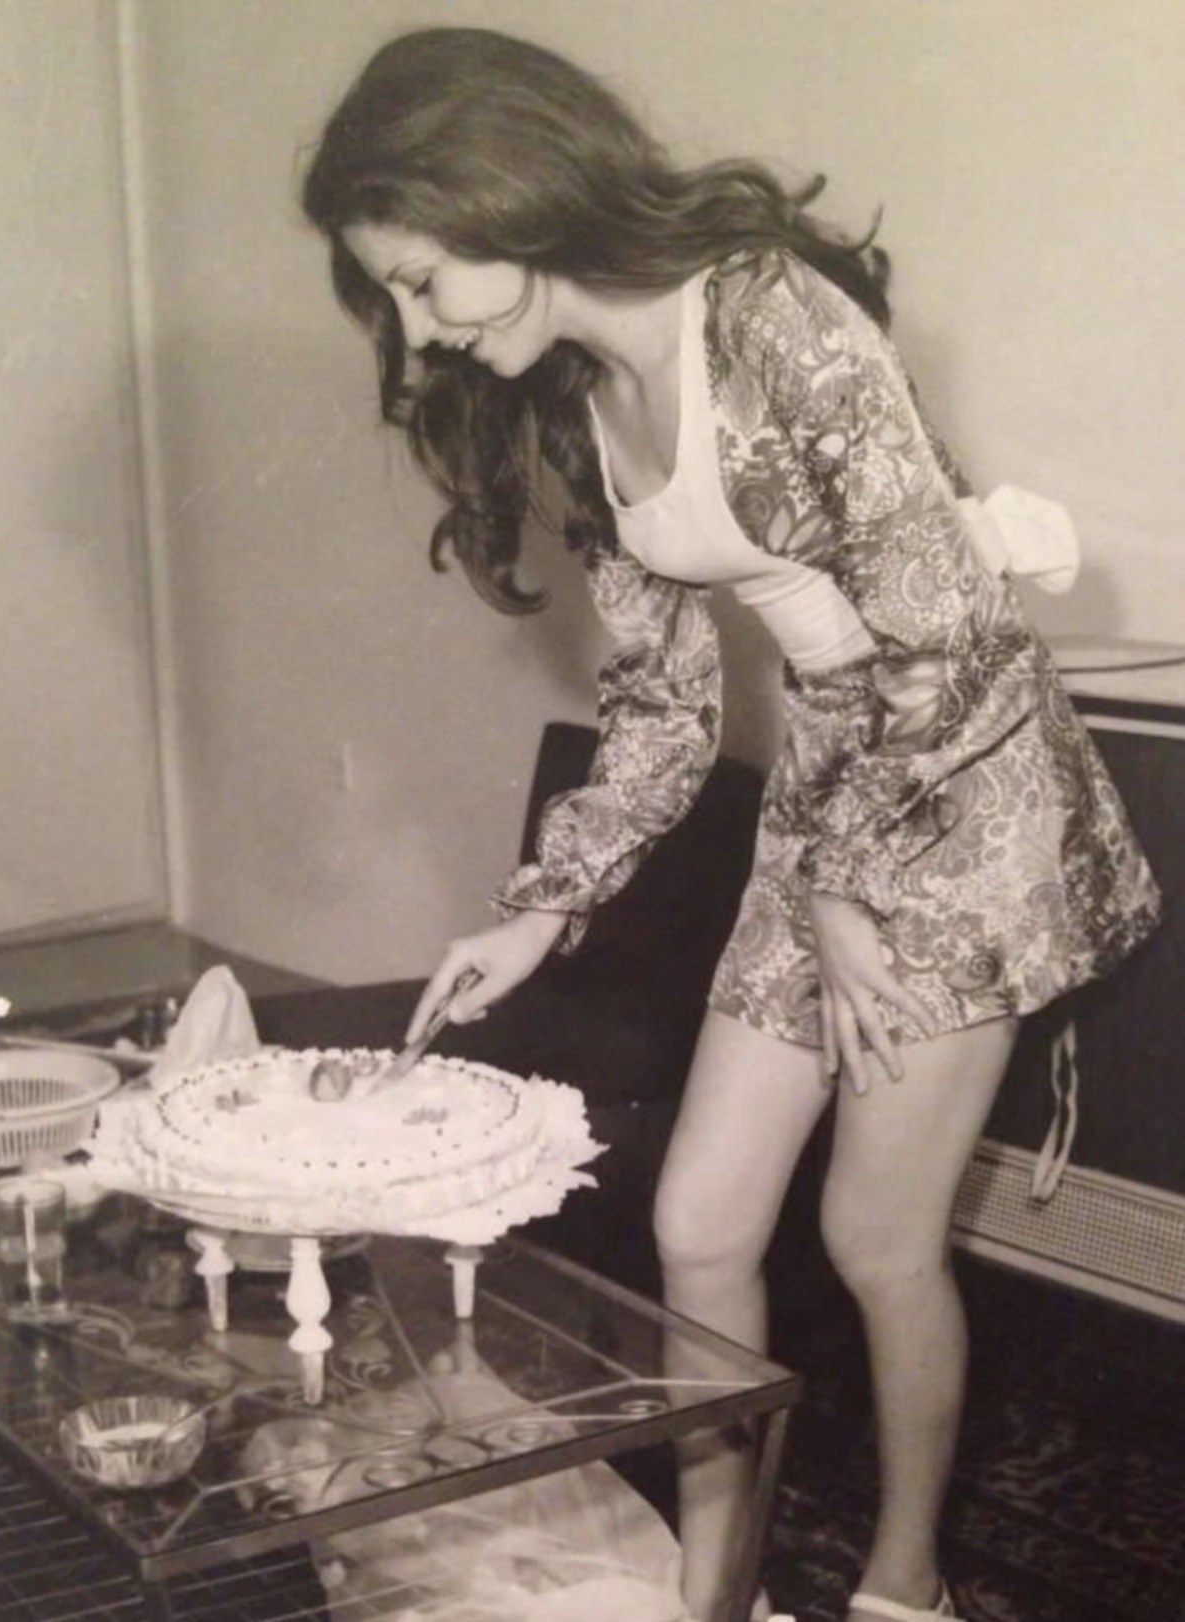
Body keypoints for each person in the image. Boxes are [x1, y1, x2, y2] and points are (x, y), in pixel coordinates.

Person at [301, 27, 1161, 1622]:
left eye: (424, 279)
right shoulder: (577, 395)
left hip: (966, 787)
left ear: (514, 195)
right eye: (395, 297)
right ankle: (719, 1588)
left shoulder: (774, 317)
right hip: (837, 800)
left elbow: (948, 638)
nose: (418, 328)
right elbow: (665, 703)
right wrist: (543, 904)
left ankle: (903, 1587)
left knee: (872, 1235)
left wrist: (842, 888)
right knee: (699, 1226)